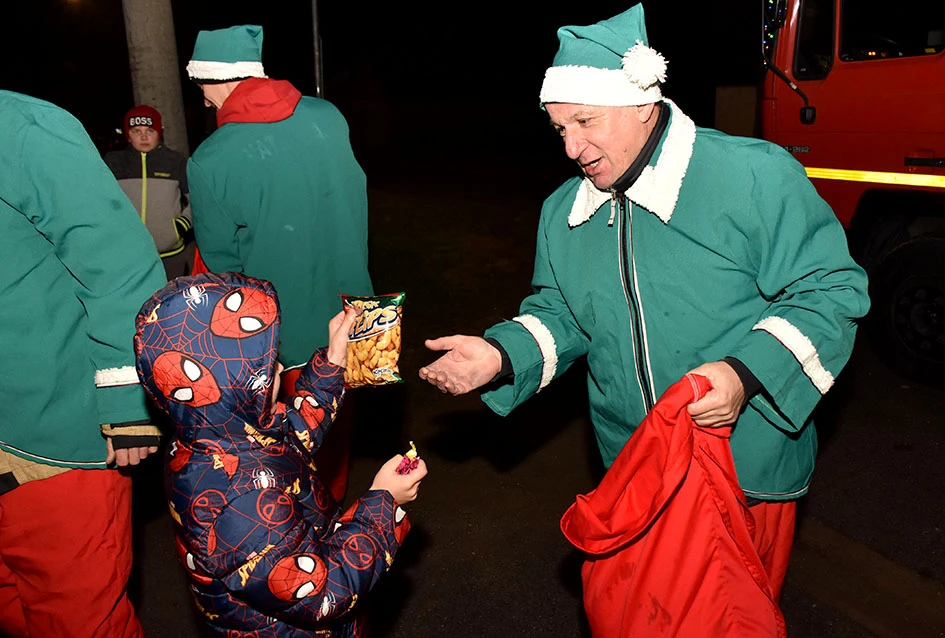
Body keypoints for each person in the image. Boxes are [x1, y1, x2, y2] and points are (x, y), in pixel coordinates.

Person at [419, 3, 869, 632]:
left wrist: (744, 375)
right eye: (558, 129)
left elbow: (831, 290)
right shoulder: (563, 212)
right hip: (634, 473)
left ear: (641, 102)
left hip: (743, 472)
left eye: (584, 120)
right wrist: (500, 355)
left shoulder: (752, 177)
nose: (572, 147)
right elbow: (562, 314)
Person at [133, 271, 425, 637]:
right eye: (265, 366)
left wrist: (334, 360)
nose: (280, 366)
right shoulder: (238, 507)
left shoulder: (213, 432)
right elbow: (323, 593)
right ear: (234, 389)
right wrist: (382, 504)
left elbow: (293, 431)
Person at [0, 90, 167, 637]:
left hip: (46, 437)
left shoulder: (23, 127)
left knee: (78, 619)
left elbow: (118, 262)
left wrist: (126, 400)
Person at [184, 24, 374, 504]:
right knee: (333, 454)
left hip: (274, 342)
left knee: (282, 468)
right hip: (355, 320)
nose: (203, 100)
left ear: (213, 81)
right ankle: (337, 559)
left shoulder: (210, 159)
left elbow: (218, 274)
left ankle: (297, 565)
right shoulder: (327, 116)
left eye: (201, 86)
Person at [104, 104, 194, 280]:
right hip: (127, 253)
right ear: (128, 135)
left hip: (170, 254)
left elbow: (197, 200)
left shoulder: (175, 161)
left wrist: (181, 225)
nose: (144, 136)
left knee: (169, 303)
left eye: (150, 131)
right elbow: (100, 201)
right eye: (136, 131)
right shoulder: (114, 162)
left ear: (159, 133)